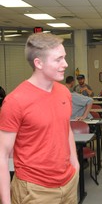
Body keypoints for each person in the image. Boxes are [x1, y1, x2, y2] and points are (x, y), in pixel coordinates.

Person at [0, 33, 79, 204]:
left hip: (68, 184)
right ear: (39, 63)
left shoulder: (64, 92)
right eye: (58, 59)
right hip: (35, 190)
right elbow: (2, 155)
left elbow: (66, 130)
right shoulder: (15, 101)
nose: (65, 64)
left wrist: (76, 165)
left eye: (64, 58)